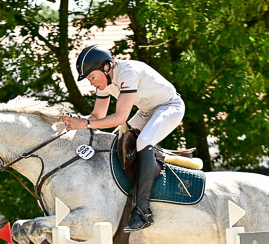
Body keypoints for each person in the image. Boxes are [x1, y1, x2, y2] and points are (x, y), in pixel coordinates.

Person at [60, 45, 185, 232]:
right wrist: (73, 121)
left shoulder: (128, 73)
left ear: (106, 67)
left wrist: (84, 124)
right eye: (88, 79)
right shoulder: (105, 82)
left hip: (169, 106)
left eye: (92, 77)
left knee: (143, 141)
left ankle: (143, 212)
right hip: (147, 111)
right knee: (115, 141)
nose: (91, 83)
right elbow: (97, 116)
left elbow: (120, 118)